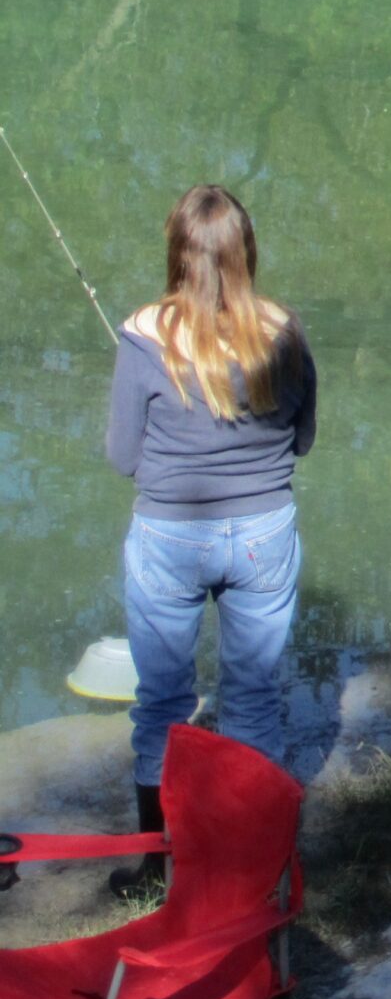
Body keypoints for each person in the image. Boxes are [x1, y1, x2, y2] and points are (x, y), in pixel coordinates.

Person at [102, 185, 317, 893]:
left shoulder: (141, 335)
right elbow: (304, 438)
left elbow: (123, 456)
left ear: (176, 253)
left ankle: (159, 872)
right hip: (263, 534)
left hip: (170, 533)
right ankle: (248, 873)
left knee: (162, 704)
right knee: (253, 699)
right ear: (246, 252)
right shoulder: (285, 331)